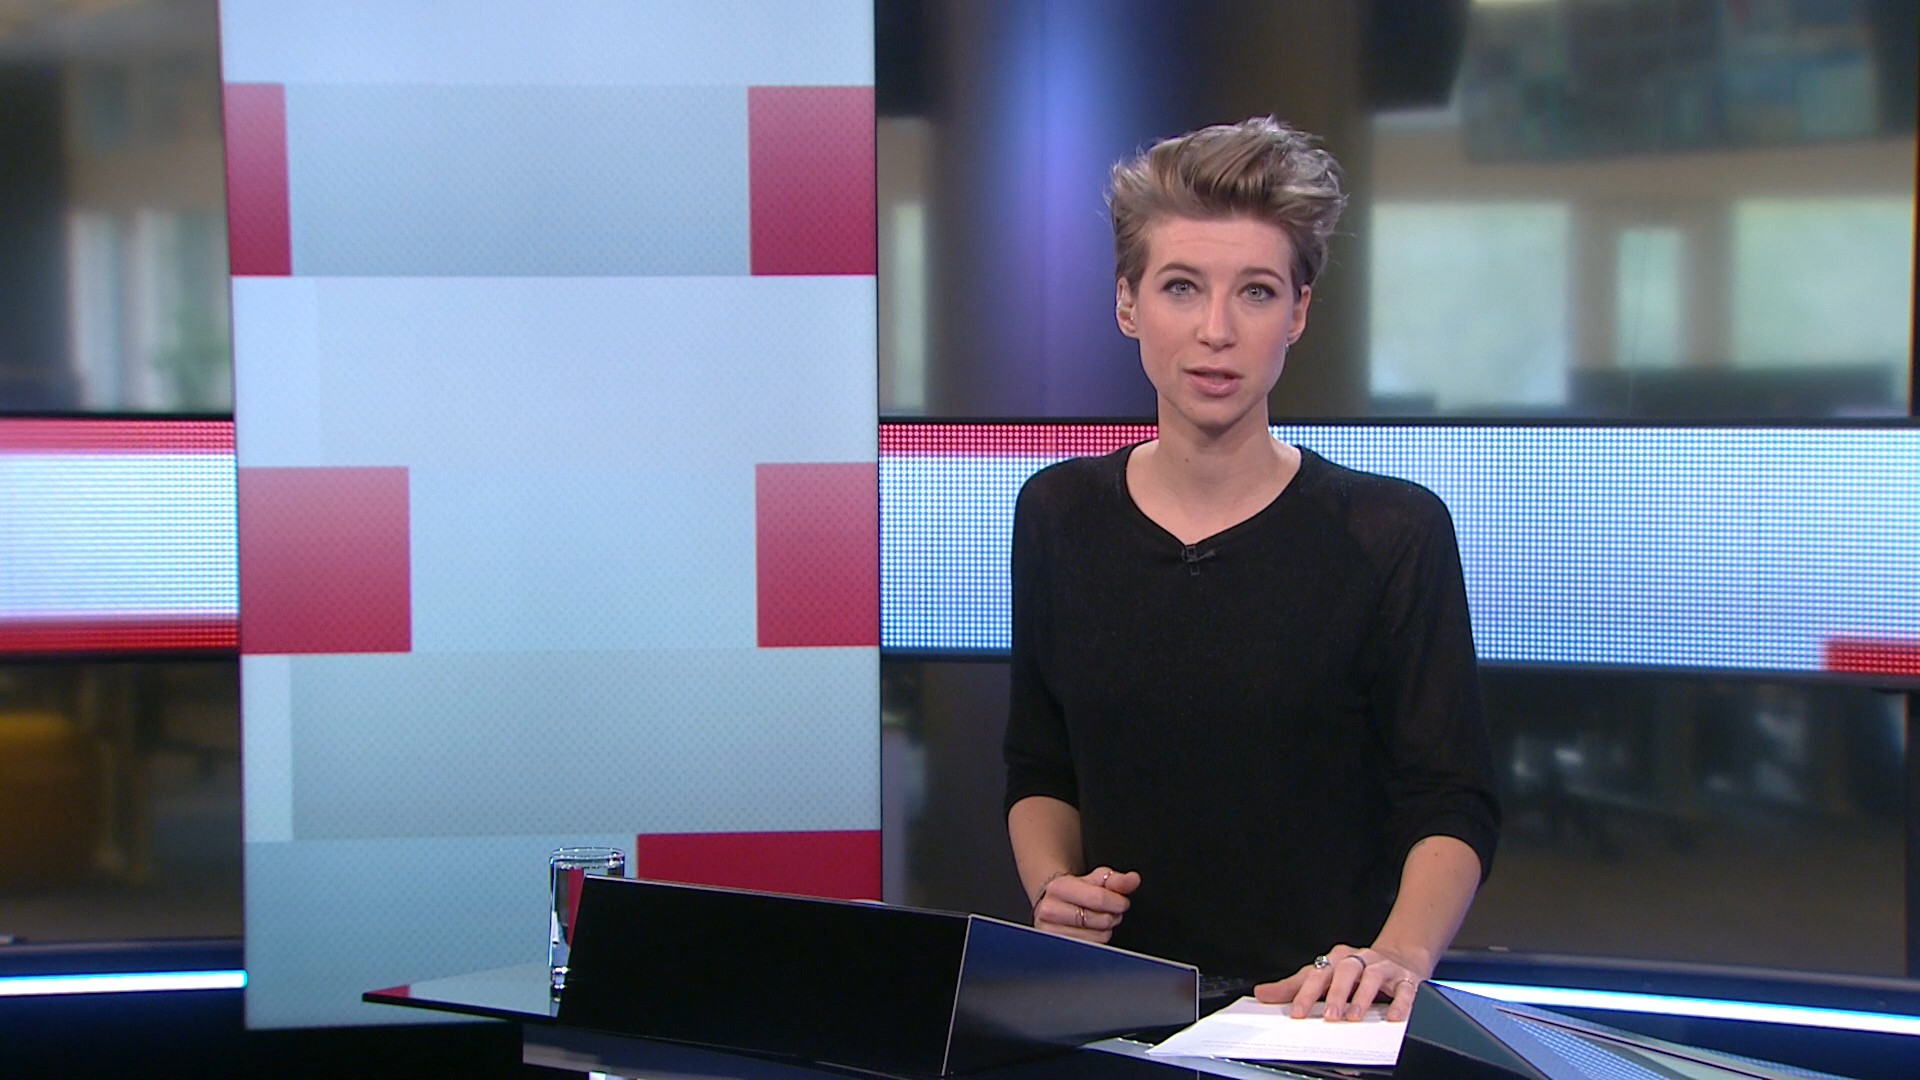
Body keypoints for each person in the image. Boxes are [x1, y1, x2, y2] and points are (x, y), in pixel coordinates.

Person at [1002, 117, 1500, 1024]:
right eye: (1181, 287)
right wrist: (1053, 887)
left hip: (1316, 1015)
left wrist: (1396, 957)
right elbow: (1040, 764)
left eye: (1257, 292)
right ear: (1127, 303)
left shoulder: (1392, 532)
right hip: (1113, 1010)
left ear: (1298, 313)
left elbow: (1450, 800)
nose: (1217, 331)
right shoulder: (1057, 514)